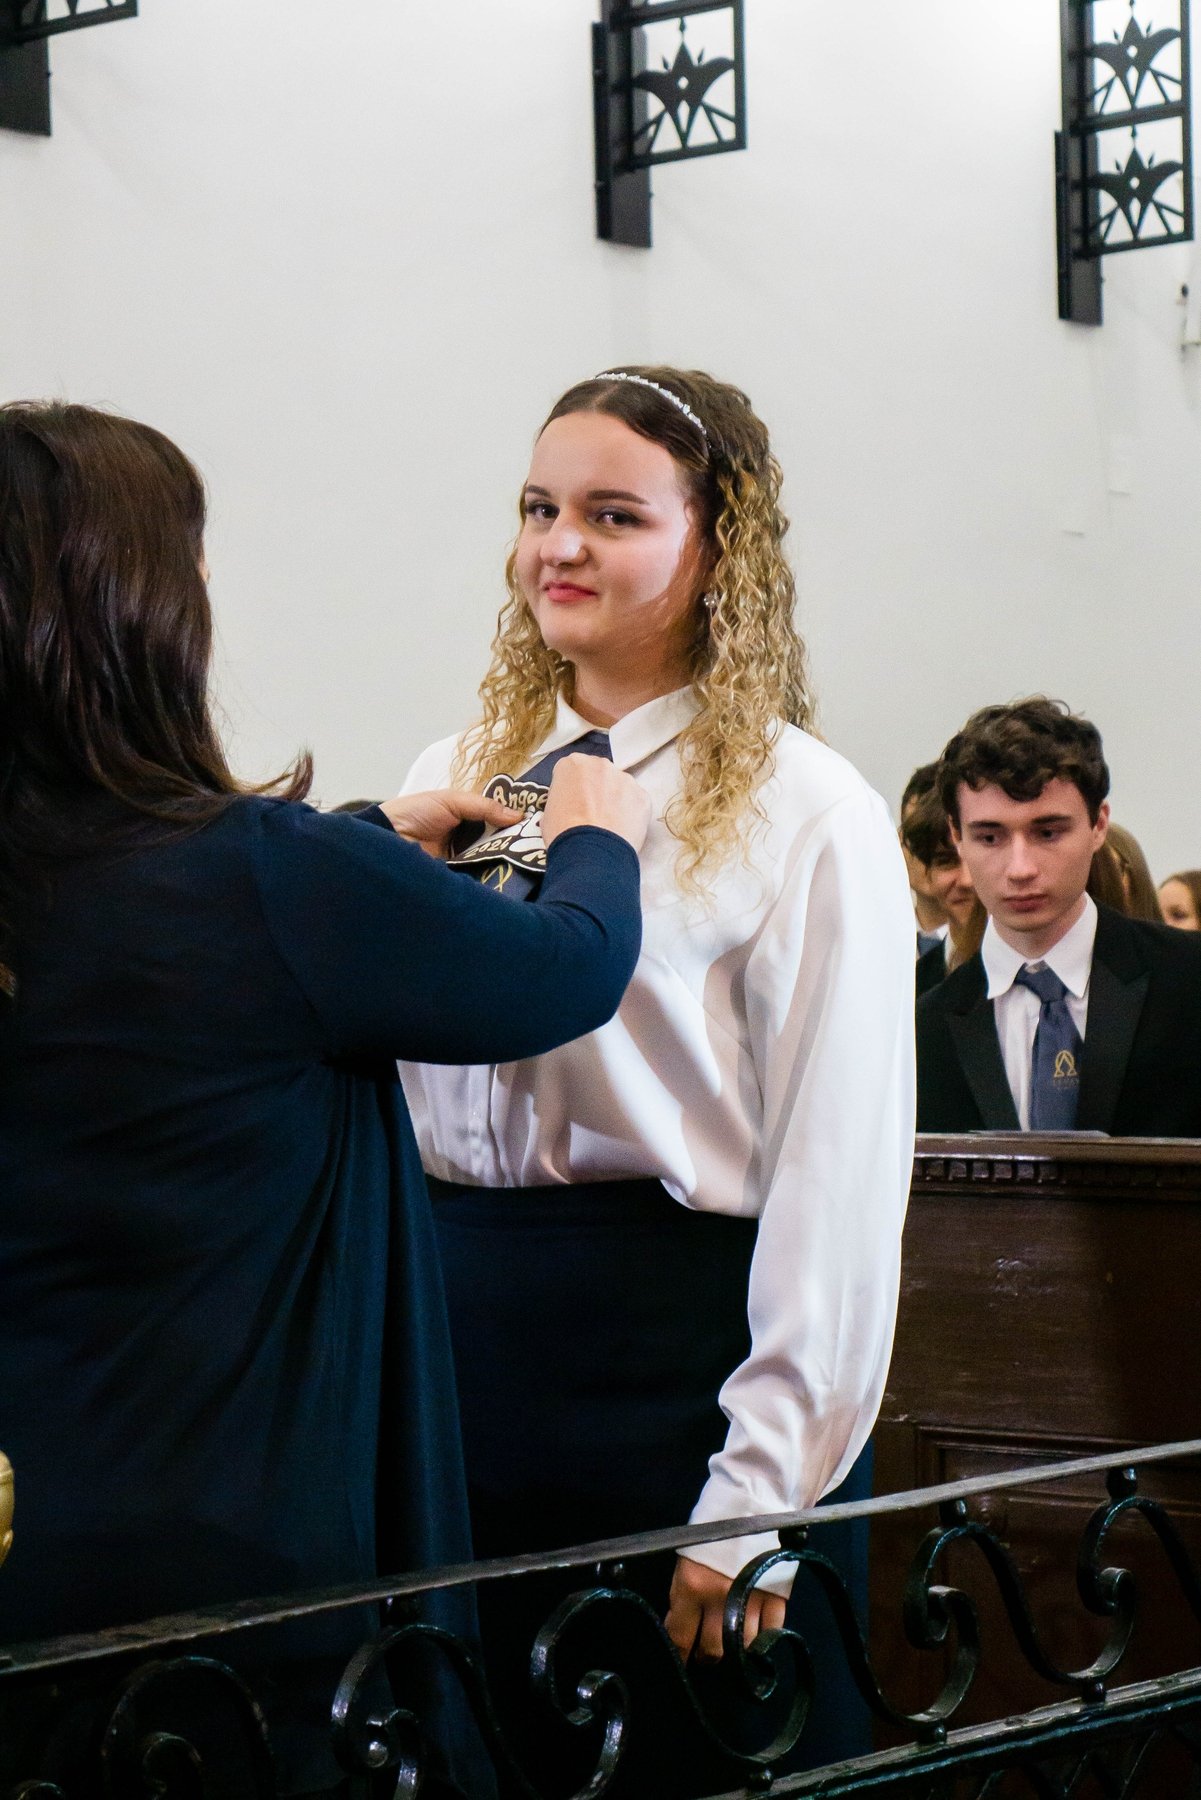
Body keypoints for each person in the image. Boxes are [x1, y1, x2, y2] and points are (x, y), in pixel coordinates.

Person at [0, 402, 650, 1796]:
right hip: (235, 1548)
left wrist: (362, 842)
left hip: (38, 1516)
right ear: (132, 610)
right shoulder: (264, 878)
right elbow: (562, 973)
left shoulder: (78, 870)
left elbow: (190, 966)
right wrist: (598, 839)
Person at [395, 366, 915, 1780]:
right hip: (463, 1359)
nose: (557, 547)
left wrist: (756, 1497)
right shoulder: (458, 770)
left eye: (613, 515)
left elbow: (838, 1177)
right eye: (538, 509)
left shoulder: (807, 809)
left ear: (717, 550)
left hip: (675, 1374)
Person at [916, 698, 1201, 1137]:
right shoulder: (920, 1029)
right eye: (989, 837)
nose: (1020, 868)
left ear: (1098, 825)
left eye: (1048, 832)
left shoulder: (1188, 979)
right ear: (957, 836)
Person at [900, 778, 986, 996]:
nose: (966, 880)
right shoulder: (905, 990)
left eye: (977, 859)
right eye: (946, 861)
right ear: (927, 870)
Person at [900, 762, 951, 956]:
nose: (930, 854)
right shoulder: (871, 940)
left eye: (943, 840)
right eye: (918, 839)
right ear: (900, 842)